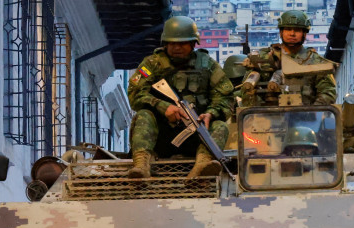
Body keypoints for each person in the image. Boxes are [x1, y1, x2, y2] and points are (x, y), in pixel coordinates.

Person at [127, 16, 233, 179]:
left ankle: (202, 165)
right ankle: (141, 165)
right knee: (143, 116)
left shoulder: (208, 65)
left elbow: (225, 97)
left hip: (196, 135)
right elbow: (135, 94)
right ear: (165, 44)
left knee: (220, 126)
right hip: (160, 135)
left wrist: (210, 114)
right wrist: (162, 107)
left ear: (192, 44)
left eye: (182, 43)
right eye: (172, 43)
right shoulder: (151, 64)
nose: (177, 47)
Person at [243, 11, 337, 107]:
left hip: (306, 117)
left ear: (304, 34)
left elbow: (328, 93)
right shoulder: (264, 58)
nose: (292, 34)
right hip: (268, 117)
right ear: (281, 32)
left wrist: (312, 112)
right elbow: (247, 90)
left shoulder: (316, 62)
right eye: (288, 29)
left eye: (297, 30)